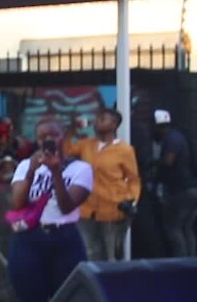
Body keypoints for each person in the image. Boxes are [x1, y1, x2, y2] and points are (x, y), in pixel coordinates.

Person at [7, 118, 92, 302]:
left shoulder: (80, 169)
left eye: (53, 134)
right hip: (29, 240)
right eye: (42, 136)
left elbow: (67, 206)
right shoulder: (26, 165)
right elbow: (18, 203)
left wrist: (56, 172)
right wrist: (34, 170)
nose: (48, 140)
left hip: (63, 238)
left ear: (63, 136)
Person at [65, 109, 140, 262]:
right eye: (98, 118)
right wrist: (71, 130)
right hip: (87, 207)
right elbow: (66, 150)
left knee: (111, 255)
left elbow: (133, 179)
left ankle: (113, 284)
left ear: (113, 125)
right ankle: (94, 284)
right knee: (90, 251)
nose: (97, 121)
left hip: (112, 207)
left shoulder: (124, 150)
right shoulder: (87, 144)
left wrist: (130, 199)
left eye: (102, 119)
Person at [151, 109, 197, 257]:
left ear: (159, 126)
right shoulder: (180, 136)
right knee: (186, 227)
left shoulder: (171, 139)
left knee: (173, 227)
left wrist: (154, 165)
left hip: (179, 190)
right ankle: (191, 261)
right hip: (191, 188)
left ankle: (181, 261)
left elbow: (168, 161)